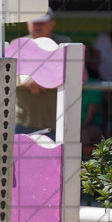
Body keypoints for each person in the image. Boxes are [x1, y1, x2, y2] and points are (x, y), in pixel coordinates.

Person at [17, 9, 70, 137]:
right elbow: (5, 75)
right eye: (34, 22)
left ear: (52, 24)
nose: (37, 26)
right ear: (27, 24)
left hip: (58, 122)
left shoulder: (65, 44)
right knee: (19, 157)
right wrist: (25, 81)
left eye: (42, 22)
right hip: (23, 121)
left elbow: (80, 75)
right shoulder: (18, 44)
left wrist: (45, 80)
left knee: (57, 157)